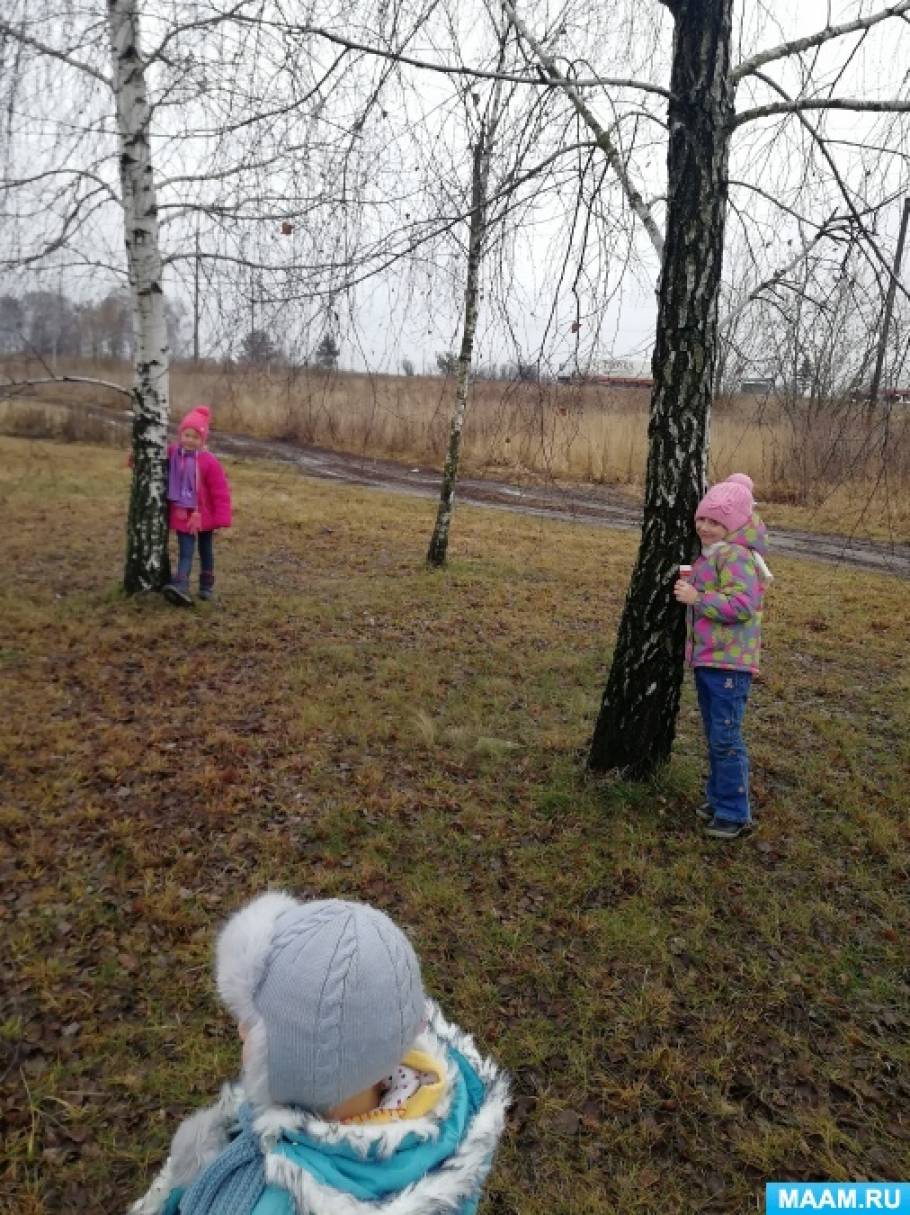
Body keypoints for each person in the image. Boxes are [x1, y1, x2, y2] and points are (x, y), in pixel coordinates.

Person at [129, 893, 510, 1215]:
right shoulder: (450, 1111)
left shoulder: (263, 1200)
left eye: (253, 1024)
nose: (240, 1030)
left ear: (302, 1066)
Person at [673, 473, 772, 840]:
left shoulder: (735, 555)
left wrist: (698, 599)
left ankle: (734, 812)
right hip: (710, 658)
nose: (705, 527)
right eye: (702, 518)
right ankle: (718, 800)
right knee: (716, 734)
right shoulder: (714, 553)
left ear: (732, 525)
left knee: (726, 737)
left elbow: (743, 605)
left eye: (716, 521)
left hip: (729, 661)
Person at [163, 405, 232, 606]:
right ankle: (181, 584)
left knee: (205, 549)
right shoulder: (173, 454)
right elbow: (153, 460)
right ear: (181, 434)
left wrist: (222, 517)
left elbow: (220, 491)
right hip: (183, 513)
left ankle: (206, 586)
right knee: (185, 550)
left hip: (204, 515)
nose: (190, 440)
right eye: (187, 435)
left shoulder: (209, 461)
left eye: (195, 437)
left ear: (202, 440)